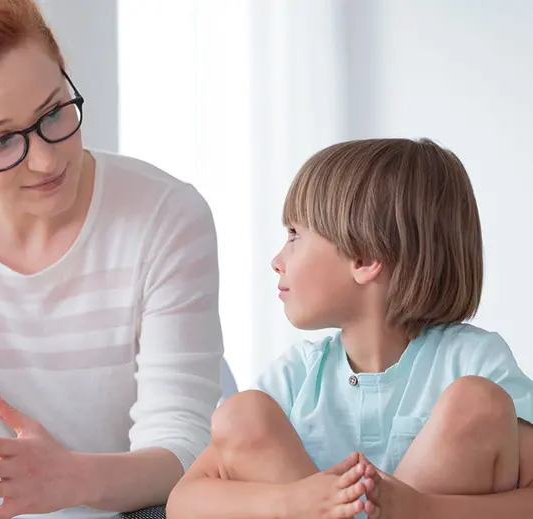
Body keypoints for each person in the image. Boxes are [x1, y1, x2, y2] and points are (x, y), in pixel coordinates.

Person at [0, 1, 224, 518]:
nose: (48, 159)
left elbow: (181, 450)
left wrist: (71, 478)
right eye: (1, 141)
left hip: (130, 501)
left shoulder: (165, 213)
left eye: (55, 112)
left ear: (63, 69)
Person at [166, 138, 533, 519]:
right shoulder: (296, 377)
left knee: (478, 401)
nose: (277, 260)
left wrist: (425, 509)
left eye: (295, 235)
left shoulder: (473, 363)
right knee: (242, 413)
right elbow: (183, 503)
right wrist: (293, 502)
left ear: (365, 258)